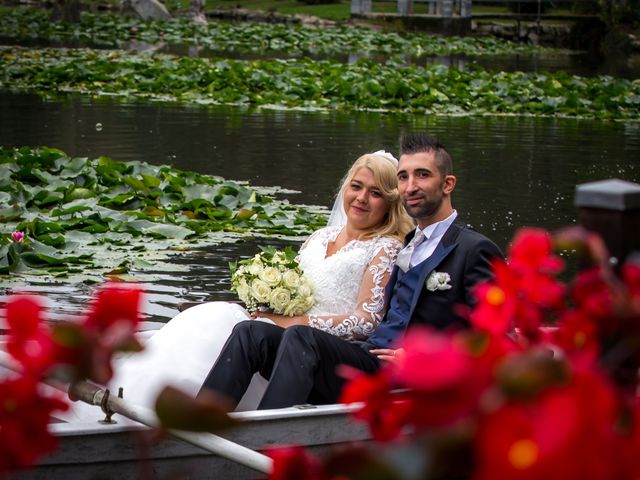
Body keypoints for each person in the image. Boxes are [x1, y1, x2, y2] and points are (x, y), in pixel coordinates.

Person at [59, 150, 413, 421]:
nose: (362, 198)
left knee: (238, 326)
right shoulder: (321, 236)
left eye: (376, 193)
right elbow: (300, 290)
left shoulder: (383, 247)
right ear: (345, 188)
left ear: (390, 203)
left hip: (319, 344)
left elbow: (365, 320)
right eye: (356, 186)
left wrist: (291, 322)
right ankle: (193, 414)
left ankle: (254, 428)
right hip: (281, 330)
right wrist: (269, 300)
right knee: (220, 316)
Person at [198, 132, 503, 410]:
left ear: (447, 184)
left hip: (407, 374)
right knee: (251, 333)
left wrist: (429, 360)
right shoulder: (409, 243)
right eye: (403, 177)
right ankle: (202, 425)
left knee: (302, 338)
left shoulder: (473, 249)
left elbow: (497, 337)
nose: (411, 186)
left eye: (422, 175)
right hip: (369, 357)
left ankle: (266, 441)